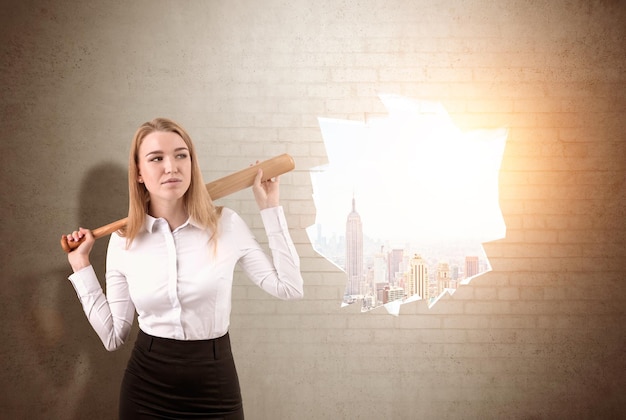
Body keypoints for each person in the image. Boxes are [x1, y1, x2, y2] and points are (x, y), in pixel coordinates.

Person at [64, 117, 304, 419]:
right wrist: (81, 265)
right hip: (146, 389)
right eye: (156, 158)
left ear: (192, 163)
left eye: (181, 155)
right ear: (139, 173)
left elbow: (290, 287)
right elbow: (113, 336)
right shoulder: (123, 241)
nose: (171, 167)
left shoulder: (225, 224)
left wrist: (270, 208)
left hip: (215, 386)